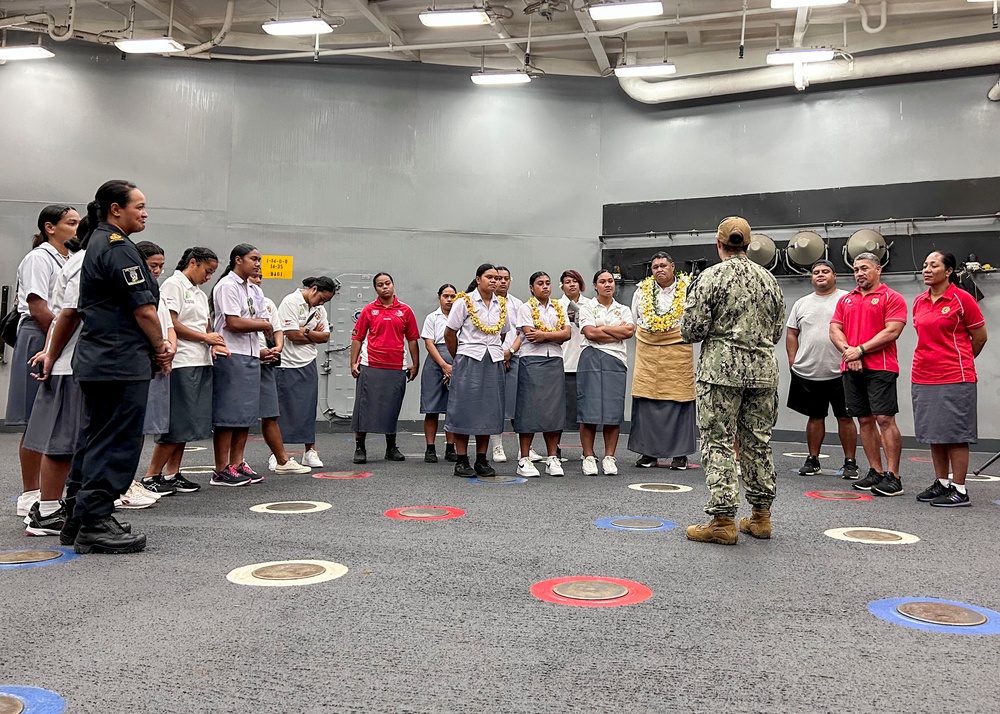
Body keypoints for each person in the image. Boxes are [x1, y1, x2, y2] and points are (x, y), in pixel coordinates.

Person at [62, 180, 171, 554]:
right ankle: (94, 521)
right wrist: (160, 348)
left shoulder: (97, 243)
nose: (144, 213)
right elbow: (143, 309)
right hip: (119, 361)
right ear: (114, 208)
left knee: (95, 438)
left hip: (101, 359)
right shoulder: (118, 248)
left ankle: (77, 516)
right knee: (116, 442)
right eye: (138, 206)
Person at [682, 217, 785, 545]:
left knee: (718, 441)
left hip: (721, 372)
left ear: (719, 244)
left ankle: (723, 520)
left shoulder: (709, 278)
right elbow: (777, 331)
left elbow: (692, 330)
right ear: (748, 244)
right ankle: (760, 518)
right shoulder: (769, 280)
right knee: (758, 441)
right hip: (764, 371)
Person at [8, 205, 75, 518]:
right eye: (71, 223)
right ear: (50, 227)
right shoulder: (39, 258)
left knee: (55, 415)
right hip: (41, 333)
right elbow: (38, 306)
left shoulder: (67, 259)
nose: (77, 228)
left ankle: (53, 491)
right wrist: (55, 341)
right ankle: (29, 491)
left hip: (57, 336)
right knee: (36, 414)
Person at [143, 247, 227, 492]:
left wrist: (212, 343)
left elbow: (204, 324)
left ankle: (172, 473)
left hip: (200, 360)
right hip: (182, 361)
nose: (208, 277)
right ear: (193, 263)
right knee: (177, 421)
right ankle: (151, 475)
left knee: (188, 423)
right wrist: (205, 338)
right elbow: (172, 324)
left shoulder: (198, 292)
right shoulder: (174, 285)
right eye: (207, 271)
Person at [911, 252, 987, 507]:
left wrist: (960, 360)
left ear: (949, 271)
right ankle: (942, 483)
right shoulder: (920, 301)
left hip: (955, 375)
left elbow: (980, 337)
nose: (927, 269)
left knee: (955, 434)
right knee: (935, 432)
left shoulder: (962, 298)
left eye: (934, 265)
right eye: (925, 265)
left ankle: (960, 489)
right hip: (923, 375)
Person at [829, 252, 908, 496]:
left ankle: (893, 476)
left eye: (864, 268)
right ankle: (876, 471)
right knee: (863, 420)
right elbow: (834, 330)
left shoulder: (892, 297)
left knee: (884, 419)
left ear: (878, 270)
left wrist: (860, 351)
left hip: (881, 367)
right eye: (855, 269)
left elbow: (892, 331)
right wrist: (849, 353)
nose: (859, 273)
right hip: (850, 367)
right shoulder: (846, 300)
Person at [785, 259, 859, 478]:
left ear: (834, 276)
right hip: (809, 371)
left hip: (841, 371)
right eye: (816, 272)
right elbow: (791, 332)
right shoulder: (801, 303)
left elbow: (856, 329)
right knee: (815, 417)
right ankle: (813, 459)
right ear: (811, 277)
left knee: (845, 418)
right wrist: (793, 359)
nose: (820, 275)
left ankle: (850, 462)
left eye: (825, 271)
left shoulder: (847, 299)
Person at [210, 244, 273, 487]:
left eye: (259, 259)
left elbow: (262, 319)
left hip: (250, 353)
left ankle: (237, 463)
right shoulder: (227, 285)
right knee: (228, 414)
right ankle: (220, 468)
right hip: (230, 353)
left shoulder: (253, 289)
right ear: (238, 259)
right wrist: (262, 325)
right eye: (253, 259)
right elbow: (234, 323)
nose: (258, 264)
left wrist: (261, 324)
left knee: (245, 414)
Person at [629, 251, 697, 470]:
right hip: (648, 352)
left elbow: (694, 320)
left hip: (677, 351)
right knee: (647, 400)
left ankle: (680, 455)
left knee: (678, 400)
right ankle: (649, 453)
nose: (659, 269)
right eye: (655, 266)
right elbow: (635, 320)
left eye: (663, 265)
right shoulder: (641, 291)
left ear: (673, 267)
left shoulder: (688, 289)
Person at [444, 264, 511, 477]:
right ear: (478, 279)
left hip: (493, 359)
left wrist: (493, 351)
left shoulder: (501, 304)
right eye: (489, 277)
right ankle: (462, 460)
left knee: (489, 410)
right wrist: (460, 357)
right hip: (468, 359)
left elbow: (502, 334)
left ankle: (482, 459)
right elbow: (449, 333)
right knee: (465, 409)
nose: (494, 281)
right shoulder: (464, 302)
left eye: (498, 278)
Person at [350, 272, 419, 463]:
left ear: (393, 285)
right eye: (380, 285)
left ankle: (391, 447)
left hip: (396, 366)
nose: (384, 287)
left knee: (391, 407)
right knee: (363, 407)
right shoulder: (368, 310)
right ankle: (360, 448)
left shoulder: (405, 310)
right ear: (375, 289)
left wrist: (415, 364)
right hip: (370, 365)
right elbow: (357, 337)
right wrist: (353, 362)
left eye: (387, 283)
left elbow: (412, 339)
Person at [249, 272, 312, 476]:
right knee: (238, 417)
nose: (258, 280)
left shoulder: (267, 303)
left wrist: (277, 349)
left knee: (271, 413)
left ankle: (281, 460)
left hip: (267, 362)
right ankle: (233, 462)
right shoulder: (233, 298)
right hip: (244, 360)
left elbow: (278, 329)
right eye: (253, 278)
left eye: (259, 277)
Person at [275, 276, 338, 469]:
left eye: (326, 302)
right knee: (283, 409)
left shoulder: (319, 310)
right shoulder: (290, 302)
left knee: (309, 408)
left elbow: (325, 336)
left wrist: (307, 332)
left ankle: (309, 451)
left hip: (308, 361)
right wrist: (311, 334)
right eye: (321, 299)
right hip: (286, 362)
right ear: (314, 289)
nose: (322, 304)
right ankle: (277, 454)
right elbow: (291, 335)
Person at [577, 270, 635, 476]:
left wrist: (603, 329)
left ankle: (609, 457)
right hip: (591, 358)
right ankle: (589, 456)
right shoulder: (586, 307)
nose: (607, 285)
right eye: (602, 281)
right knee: (589, 409)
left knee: (612, 411)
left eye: (610, 281)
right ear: (595, 285)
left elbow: (629, 332)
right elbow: (590, 334)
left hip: (616, 361)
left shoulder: (624, 309)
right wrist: (614, 331)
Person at [513, 272, 571, 477]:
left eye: (547, 283)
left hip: (554, 360)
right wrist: (554, 336)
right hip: (532, 361)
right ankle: (524, 459)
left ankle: (552, 458)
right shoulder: (525, 308)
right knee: (529, 408)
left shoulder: (559, 307)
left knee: (553, 410)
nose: (545, 287)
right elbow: (530, 335)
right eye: (540, 284)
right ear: (531, 287)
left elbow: (567, 334)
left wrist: (545, 335)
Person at [134, 241, 177, 500]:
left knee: (145, 425)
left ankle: (129, 481)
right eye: (153, 265)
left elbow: (167, 323)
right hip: (144, 360)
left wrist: (168, 348)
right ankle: (122, 484)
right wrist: (161, 348)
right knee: (133, 427)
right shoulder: (136, 290)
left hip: (159, 359)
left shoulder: (155, 289)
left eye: (161, 265)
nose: (158, 270)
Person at [490, 267, 531, 463]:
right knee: (494, 404)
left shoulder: (518, 304)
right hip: (492, 358)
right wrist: (500, 354)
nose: (502, 282)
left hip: (515, 356)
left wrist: (510, 352)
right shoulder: (487, 303)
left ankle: (525, 450)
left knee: (518, 405)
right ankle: (497, 446)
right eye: (498, 278)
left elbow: (521, 333)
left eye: (506, 278)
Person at [420, 284, 459, 463]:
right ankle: (430, 448)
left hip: (456, 362)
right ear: (439, 298)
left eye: (452, 296)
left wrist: (454, 366)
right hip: (436, 363)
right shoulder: (432, 318)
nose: (449, 300)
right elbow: (429, 344)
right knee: (432, 408)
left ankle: (451, 447)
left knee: (453, 408)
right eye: (446, 296)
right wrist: (444, 365)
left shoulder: (461, 317)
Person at [557, 269, 589, 450]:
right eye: (567, 281)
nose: (571, 284)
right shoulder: (555, 305)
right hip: (562, 362)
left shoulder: (590, 304)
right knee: (559, 410)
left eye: (575, 281)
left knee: (585, 410)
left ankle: (588, 450)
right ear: (562, 285)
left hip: (584, 362)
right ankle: (556, 449)